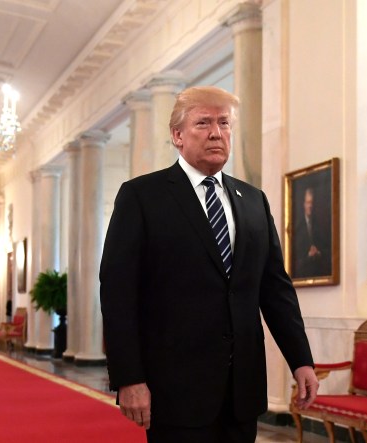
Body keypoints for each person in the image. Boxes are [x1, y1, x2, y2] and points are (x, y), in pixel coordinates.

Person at [100, 86, 318, 442]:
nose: (216, 132)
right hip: (175, 391)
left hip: (241, 391)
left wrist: (301, 360)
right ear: (177, 135)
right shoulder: (142, 197)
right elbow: (117, 294)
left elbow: (275, 289)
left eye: (224, 123)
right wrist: (128, 378)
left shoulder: (253, 202)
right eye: (203, 122)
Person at [292, 187, 331, 278]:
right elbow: (294, 260)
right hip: (303, 274)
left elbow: (327, 250)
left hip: (318, 273)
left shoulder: (319, 226)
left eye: (312, 203)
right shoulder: (297, 228)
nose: (310, 206)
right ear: (304, 204)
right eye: (308, 202)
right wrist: (308, 256)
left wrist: (318, 252)